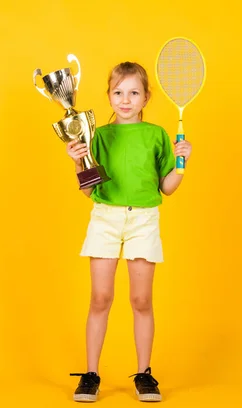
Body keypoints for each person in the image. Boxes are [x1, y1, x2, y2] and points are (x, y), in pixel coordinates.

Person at [66, 61, 192, 403]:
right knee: (100, 298)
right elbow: (89, 190)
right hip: (105, 218)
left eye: (134, 92)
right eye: (118, 92)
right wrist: (79, 161)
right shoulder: (100, 135)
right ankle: (90, 375)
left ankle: (144, 375)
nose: (125, 99)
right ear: (108, 96)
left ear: (146, 97)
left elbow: (167, 187)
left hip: (144, 220)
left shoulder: (157, 136)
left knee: (141, 300)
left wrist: (182, 163)